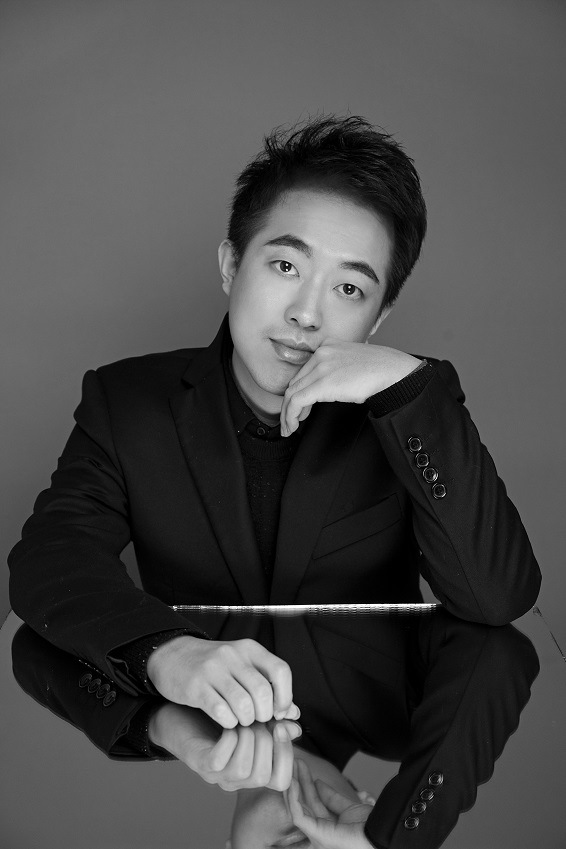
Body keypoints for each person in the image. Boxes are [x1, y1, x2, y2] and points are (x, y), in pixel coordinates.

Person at [8, 115, 541, 738]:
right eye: (286, 266)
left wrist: (407, 390)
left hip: (361, 735)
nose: (307, 315)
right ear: (231, 265)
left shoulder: (410, 406)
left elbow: (498, 598)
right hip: (199, 739)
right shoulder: (126, 400)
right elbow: (49, 561)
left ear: (378, 318)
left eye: (349, 289)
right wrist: (166, 652)